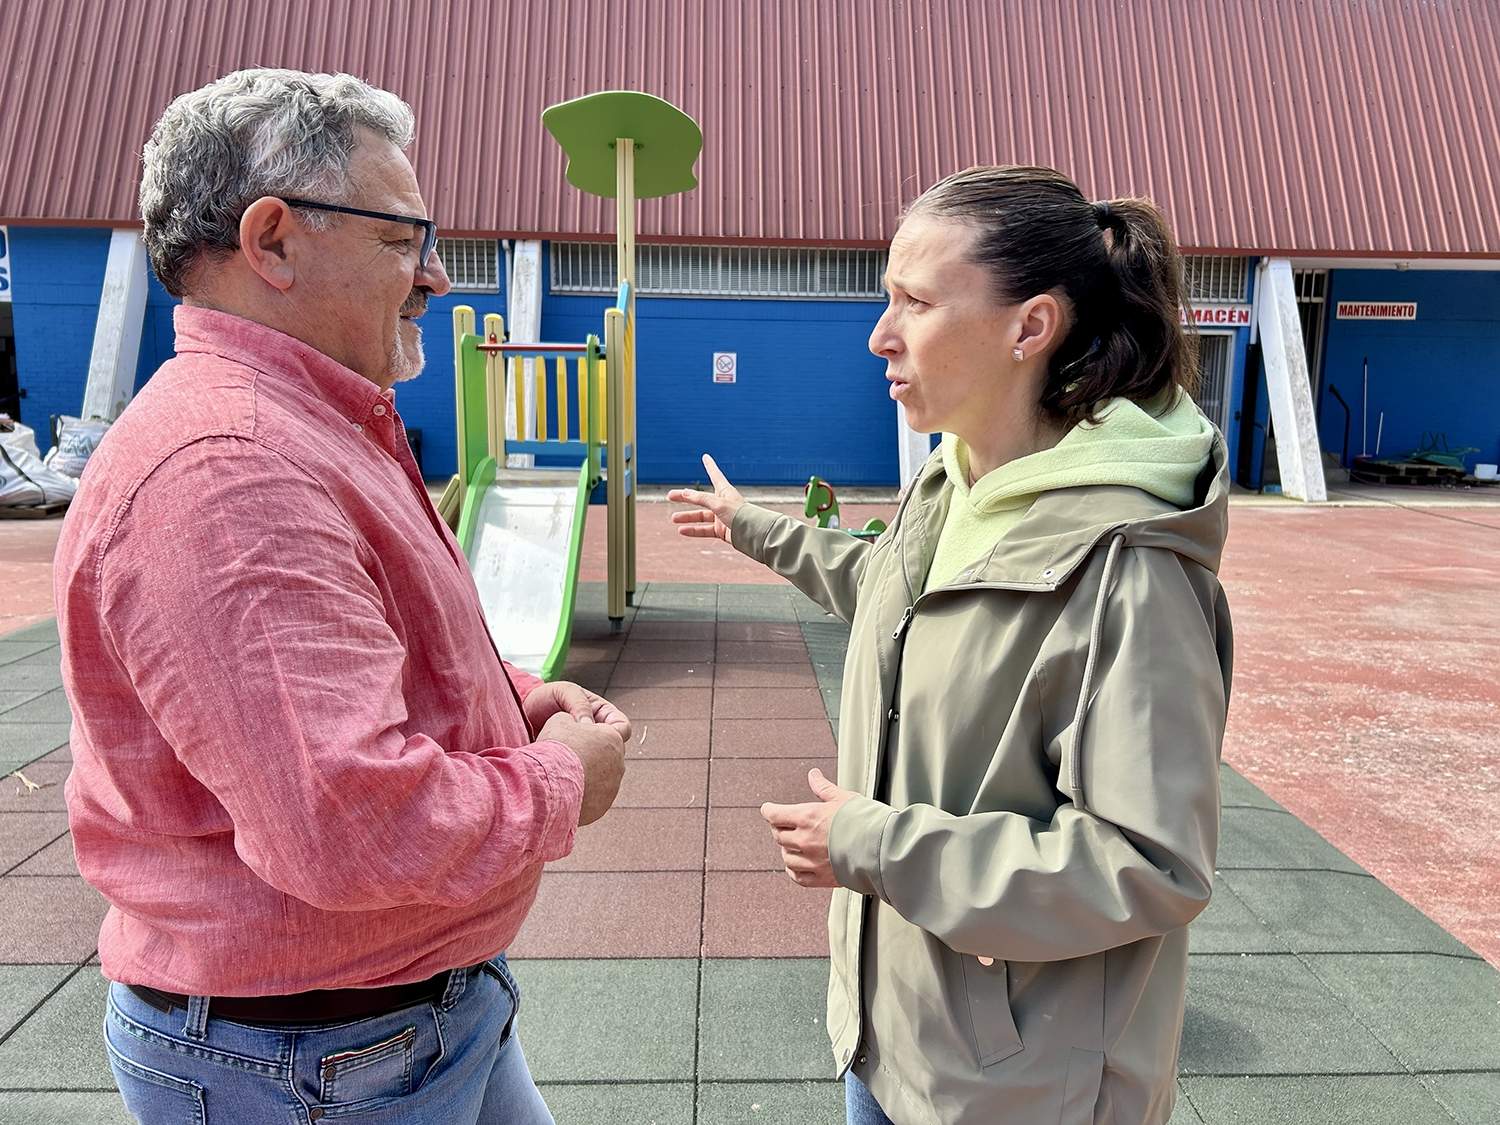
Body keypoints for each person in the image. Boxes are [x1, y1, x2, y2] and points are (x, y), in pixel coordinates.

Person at [55, 69, 630, 1124]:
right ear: (271, 240)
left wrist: (515, 700)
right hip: (317, 1056)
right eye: (401, 238)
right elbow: (345, 825)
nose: (437, 276)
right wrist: (558, 784)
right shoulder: (235, 471)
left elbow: (378, 648)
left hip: (378, 1025)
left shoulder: (301, 426)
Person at [670, 164, 1233, 1125]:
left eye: (915, 301)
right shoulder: (955, 483)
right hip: (893, 1035)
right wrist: (754, 527)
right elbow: (896, 593)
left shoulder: (1128, 567)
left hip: (1015, 1087)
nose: (879, 334)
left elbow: (1150, 860)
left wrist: (876, 843)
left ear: (1030, 327)